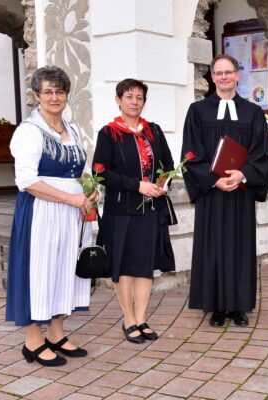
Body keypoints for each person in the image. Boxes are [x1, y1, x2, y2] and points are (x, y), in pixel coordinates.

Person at [5, 66, 97, 366]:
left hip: (70, 214)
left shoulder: (72, 129)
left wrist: (91, 191)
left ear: (66, 95)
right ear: (37, 96)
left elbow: (82, 171)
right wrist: (71, 198)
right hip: (41, 212)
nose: (54, 97)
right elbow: (27, 181)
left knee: (63, 270)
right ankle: (33, 341)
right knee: (38, 271)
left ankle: (56, 333)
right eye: (48, 91)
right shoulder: (29, 132)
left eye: (59, 91)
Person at [181, 54, 268, 327]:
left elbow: (261, 153)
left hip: (240, 191)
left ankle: (238, 306)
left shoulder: (253, 113)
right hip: (212, 193)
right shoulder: (197, 111)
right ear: (212, 76)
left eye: (228, 72)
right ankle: (216, 306)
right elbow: (190, 152)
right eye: (218, 73)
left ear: (237, 75)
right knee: (213, 248)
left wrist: (242, 174)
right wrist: (213, 180)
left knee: (239, 248)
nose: (223, 77)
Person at [93, 79, 176, 343]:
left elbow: (168, 164)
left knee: (143, 266)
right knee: (124, 267)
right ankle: (128, 319)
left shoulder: (154, 131)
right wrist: (137, 185)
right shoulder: (108, 133)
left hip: (151, 209)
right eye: (129, 97)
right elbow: (102, 172)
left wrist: (164, 183)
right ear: (118, 100)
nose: (134, 102)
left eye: (139, 97)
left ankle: (142, 318)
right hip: (121, 210)